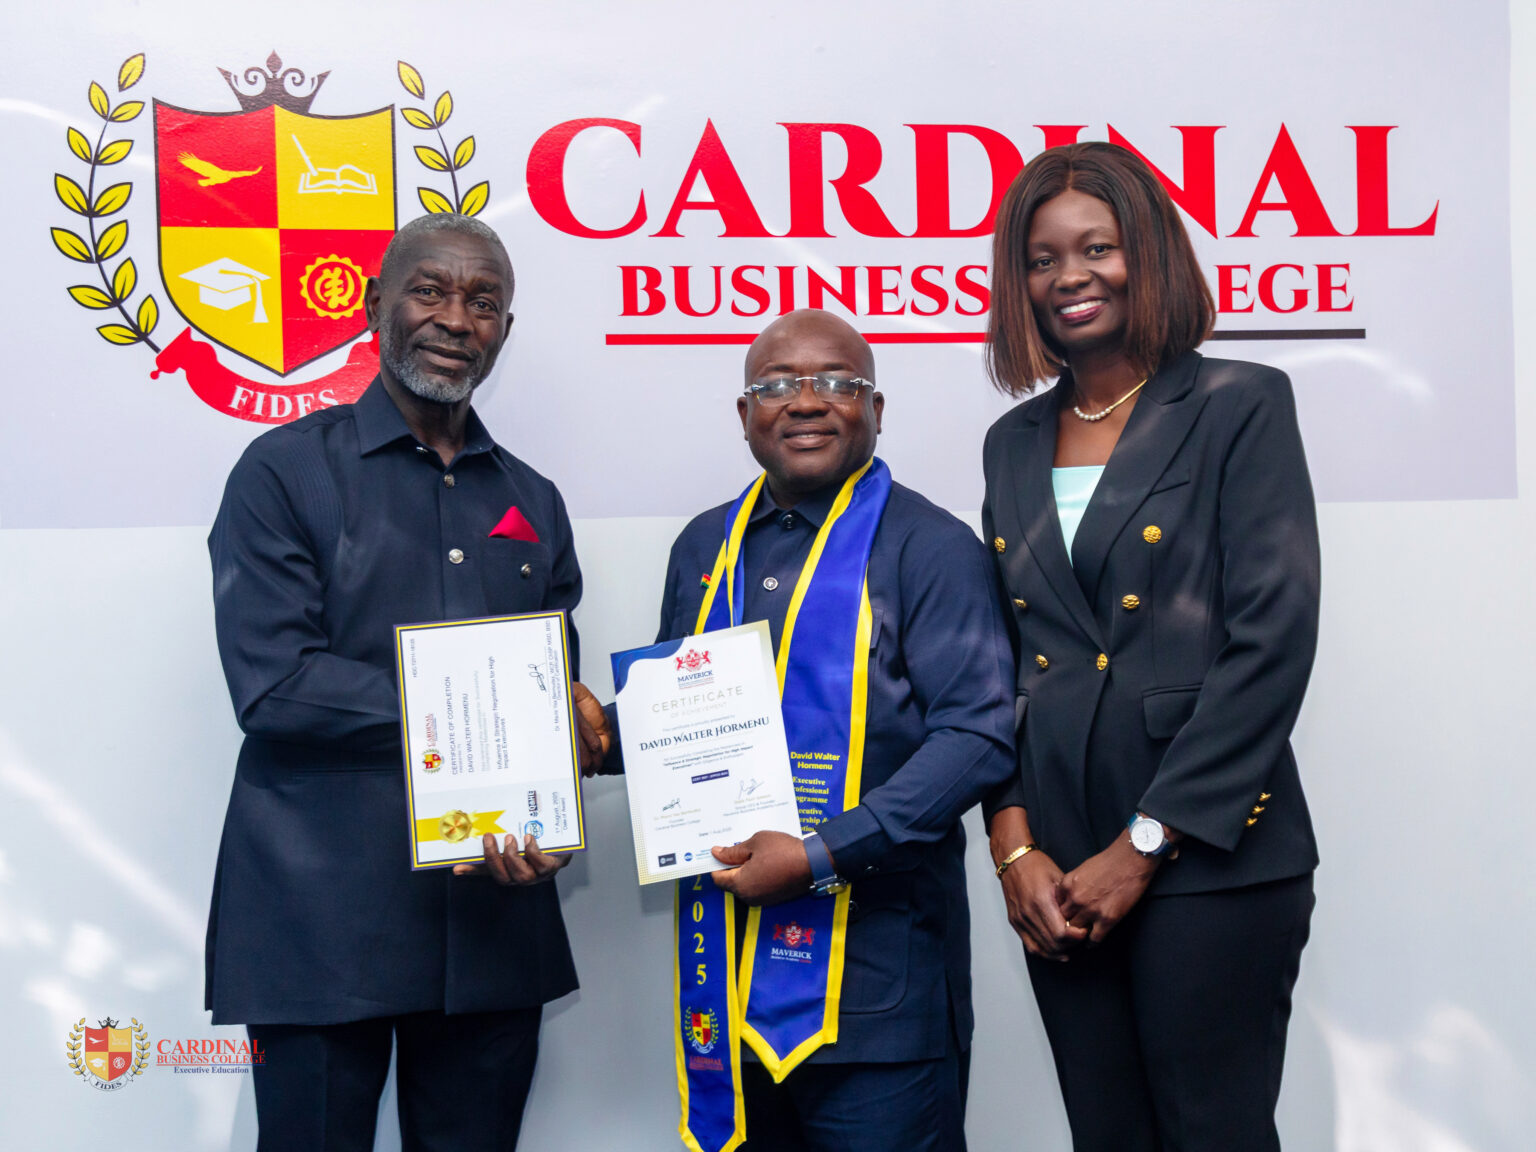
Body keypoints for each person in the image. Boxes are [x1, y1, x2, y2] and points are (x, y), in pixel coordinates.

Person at [205, 213, 608, 1152]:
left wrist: (555, 795)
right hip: (317, 927)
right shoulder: (283, 473)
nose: (456, 319)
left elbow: (549, 691)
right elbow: (273, 686)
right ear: (375, 303)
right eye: (430, 291)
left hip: (494, 920)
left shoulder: (533, 498)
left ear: (505, 330)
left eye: (484, 302)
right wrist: (480, 715)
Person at [600, 309, 1014, 1151]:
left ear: (876, 408)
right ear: (745, 414)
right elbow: (688, 720)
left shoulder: (932, 548)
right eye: (777, 386)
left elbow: (977, 737)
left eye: (836, 382)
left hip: (878, 1000)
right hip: (724, 988)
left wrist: (822, 853)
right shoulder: (703, 548)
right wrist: (595, 738)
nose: (806, 401)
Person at [980, 141, 1320, 1152]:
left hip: (1209, 852)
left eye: (1098, 247)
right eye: (1042, 259)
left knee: (1212, 1134)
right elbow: (1006, 661)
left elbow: (1270, 643)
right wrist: (1014, 847)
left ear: (1151, 253)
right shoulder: (1010, 442)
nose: (1069, 276)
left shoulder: (1238, 402)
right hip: (1059, 870)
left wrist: (1142, 847)